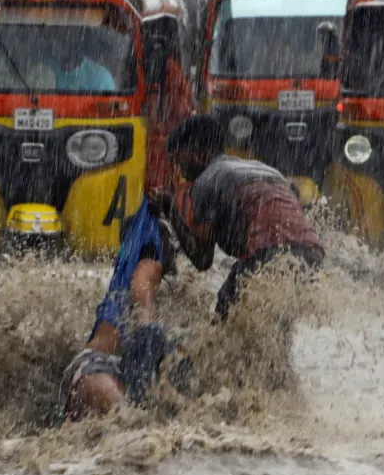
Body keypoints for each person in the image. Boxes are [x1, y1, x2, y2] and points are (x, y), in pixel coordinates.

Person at [157, 115, 324, 321]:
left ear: (199, 154)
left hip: (268, 253)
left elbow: (202, 259)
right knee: (274, 326)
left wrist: (169, 209)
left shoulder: (207, 180)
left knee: (225, 319)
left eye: (178, 161)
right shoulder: (264, 169)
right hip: (312, 255)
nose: (178, 171)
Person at [58, 199, 185, 420]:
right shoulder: (151, 254)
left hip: (88, 370)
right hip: (98, 368)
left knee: (129, 422)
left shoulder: (129, 253)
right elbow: (141, 292)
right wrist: (147, 327)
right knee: (133, 422)